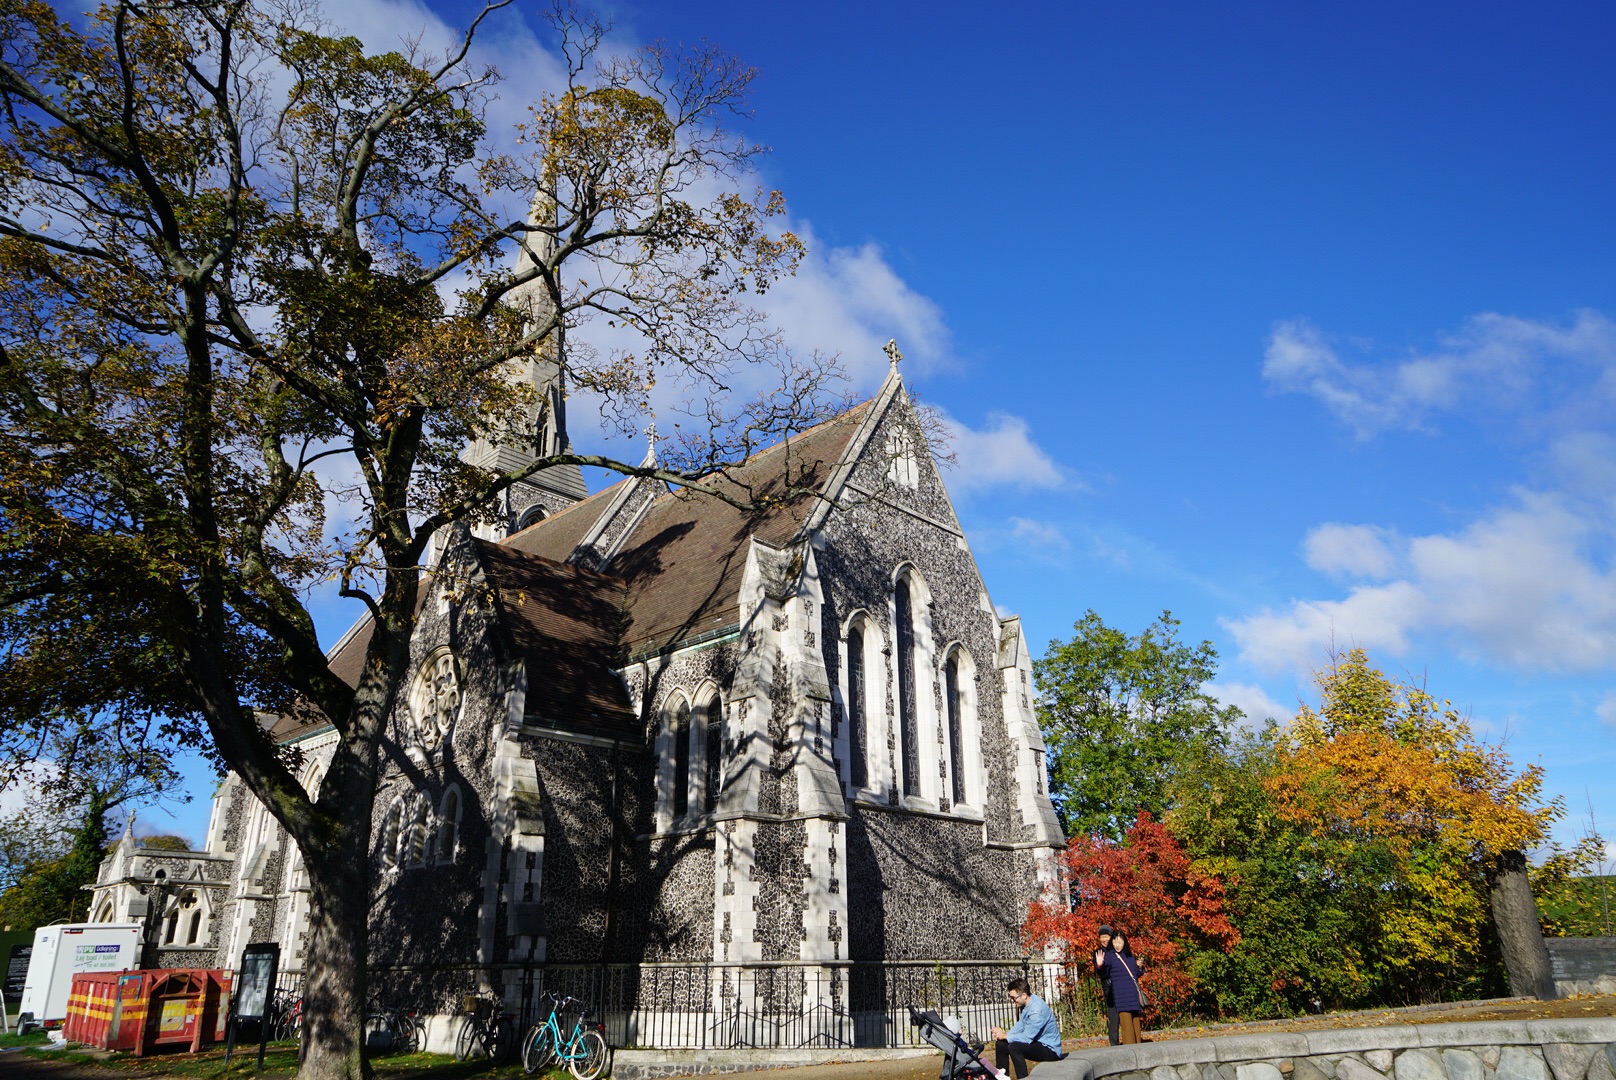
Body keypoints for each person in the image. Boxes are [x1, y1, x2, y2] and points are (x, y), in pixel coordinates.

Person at [990, 977, 1063, 1079]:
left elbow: (1027, 1037)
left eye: (1013, 998)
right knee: (1001, 1044)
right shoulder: (1027, 1003)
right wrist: (1004, 1035)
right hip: (1037, 1042)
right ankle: (1002, 1077)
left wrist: (1005, 1035)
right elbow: (1022, 1024)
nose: (1012, 1001)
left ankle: (1023, 1078)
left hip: (1050, 1049)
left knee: (1014, 1047)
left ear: (1023, 995)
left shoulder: (1036, 1011)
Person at [1094, 929, 1146, 1045]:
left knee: (1136, 1027)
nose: (1117, 945)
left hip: (1133, 995)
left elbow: (1136, 974)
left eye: (1120, 942)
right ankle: (1130, 1054)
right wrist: (1099, 965)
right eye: (1115, 942)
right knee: (1127, 1028)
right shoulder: (1110, 956)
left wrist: (1140, 967)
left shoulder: (1129, 955)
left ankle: (1140, 1052)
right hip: (1121, 997)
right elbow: (1103, 971)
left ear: (1124, 942)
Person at [1095, 925, 1119, 1045]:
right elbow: (1100, 972)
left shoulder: (1117, 950)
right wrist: (1100, 965)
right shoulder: (1099, 952)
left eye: (1106, 936)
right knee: (1113, 1017)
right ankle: (1114, 1044)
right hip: (1109, 988)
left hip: (1121, 987)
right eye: (1102, 937)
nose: (1104, 939)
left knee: (1125, 1016)